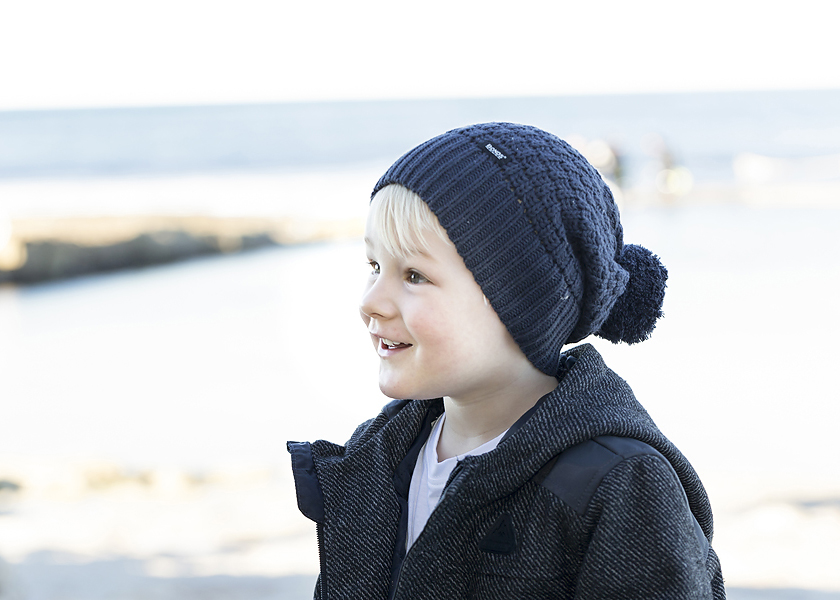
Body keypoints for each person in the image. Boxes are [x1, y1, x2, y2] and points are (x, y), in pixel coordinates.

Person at [288, 122, 725, 599]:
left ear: (521, 300)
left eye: (414, 275)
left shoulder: (619, 485)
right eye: (374, 267)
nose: (371, 301)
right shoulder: (377, 458)